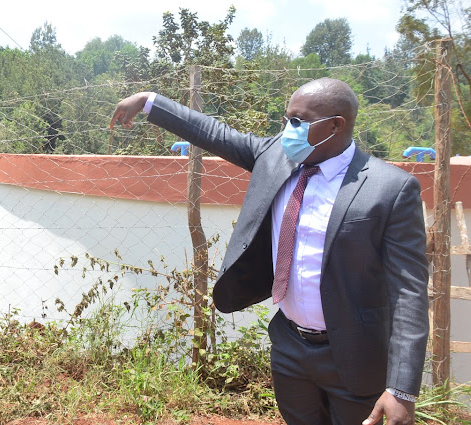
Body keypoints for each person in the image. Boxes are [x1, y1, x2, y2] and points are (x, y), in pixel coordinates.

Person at [110, 78, 429, 425]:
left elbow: (409, 294)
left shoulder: (390, 189)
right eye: (285, 120)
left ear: (336, 125)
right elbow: (215, 134)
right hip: (290, 347)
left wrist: (401, 389)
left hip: (356, 355)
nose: (286, 130)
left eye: (297, 121)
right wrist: (148, 102)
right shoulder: (275, 157)